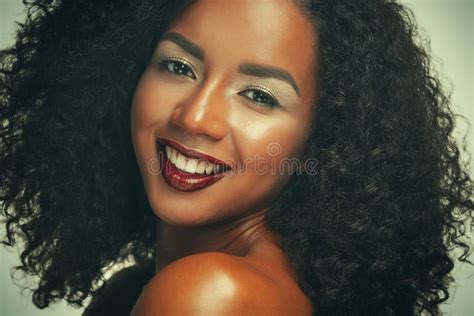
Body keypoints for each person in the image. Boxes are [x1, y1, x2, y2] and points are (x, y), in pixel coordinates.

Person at [1, 0, 472, 315]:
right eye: (178, 66)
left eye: (259, 96)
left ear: (324, 138)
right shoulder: (135, 289)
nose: (196, 117)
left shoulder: (209, 297)